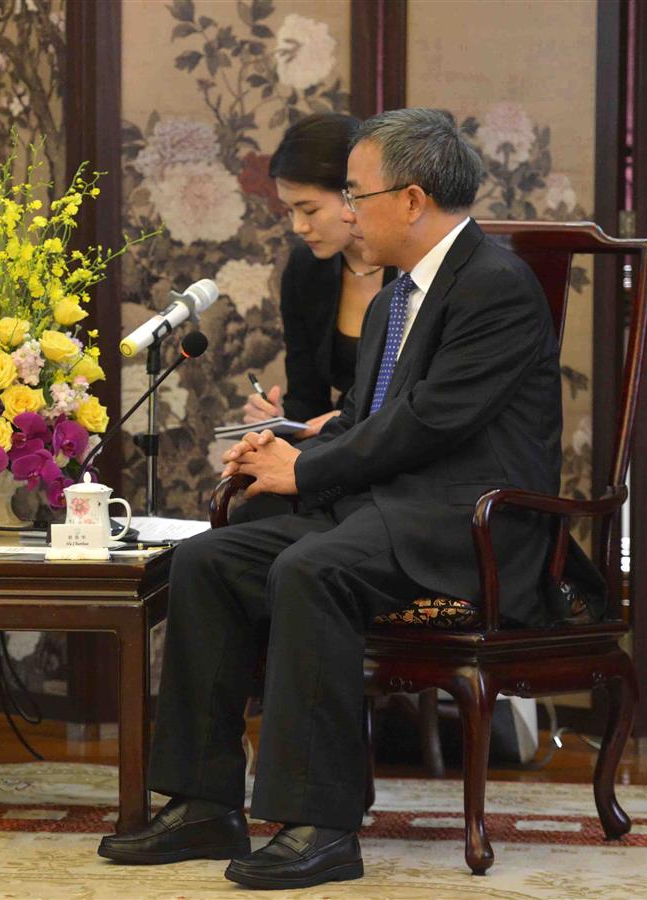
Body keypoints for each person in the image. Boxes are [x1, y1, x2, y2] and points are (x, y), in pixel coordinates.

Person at [96, 108, 602, 890]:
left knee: (311, 568)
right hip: (390, 508)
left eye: (356, 195)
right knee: (207, 560)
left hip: (467, 526)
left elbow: (429, 424)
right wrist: (289, 449)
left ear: (410, 199)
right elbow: (373, 421)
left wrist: (305, 472)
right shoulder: (403, 288)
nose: (346, 211)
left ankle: (321, 826)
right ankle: (203, 803)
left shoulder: (492, 286)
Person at [243, 113, 396, 435]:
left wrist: (348, 420)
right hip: (341, 449)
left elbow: (427, 398)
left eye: (309, 210)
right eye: (289, 211)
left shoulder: (413, 265)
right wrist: (279, 418)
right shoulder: (305, 269)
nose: (298, 226)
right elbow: (308, 399)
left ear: (354, 194)